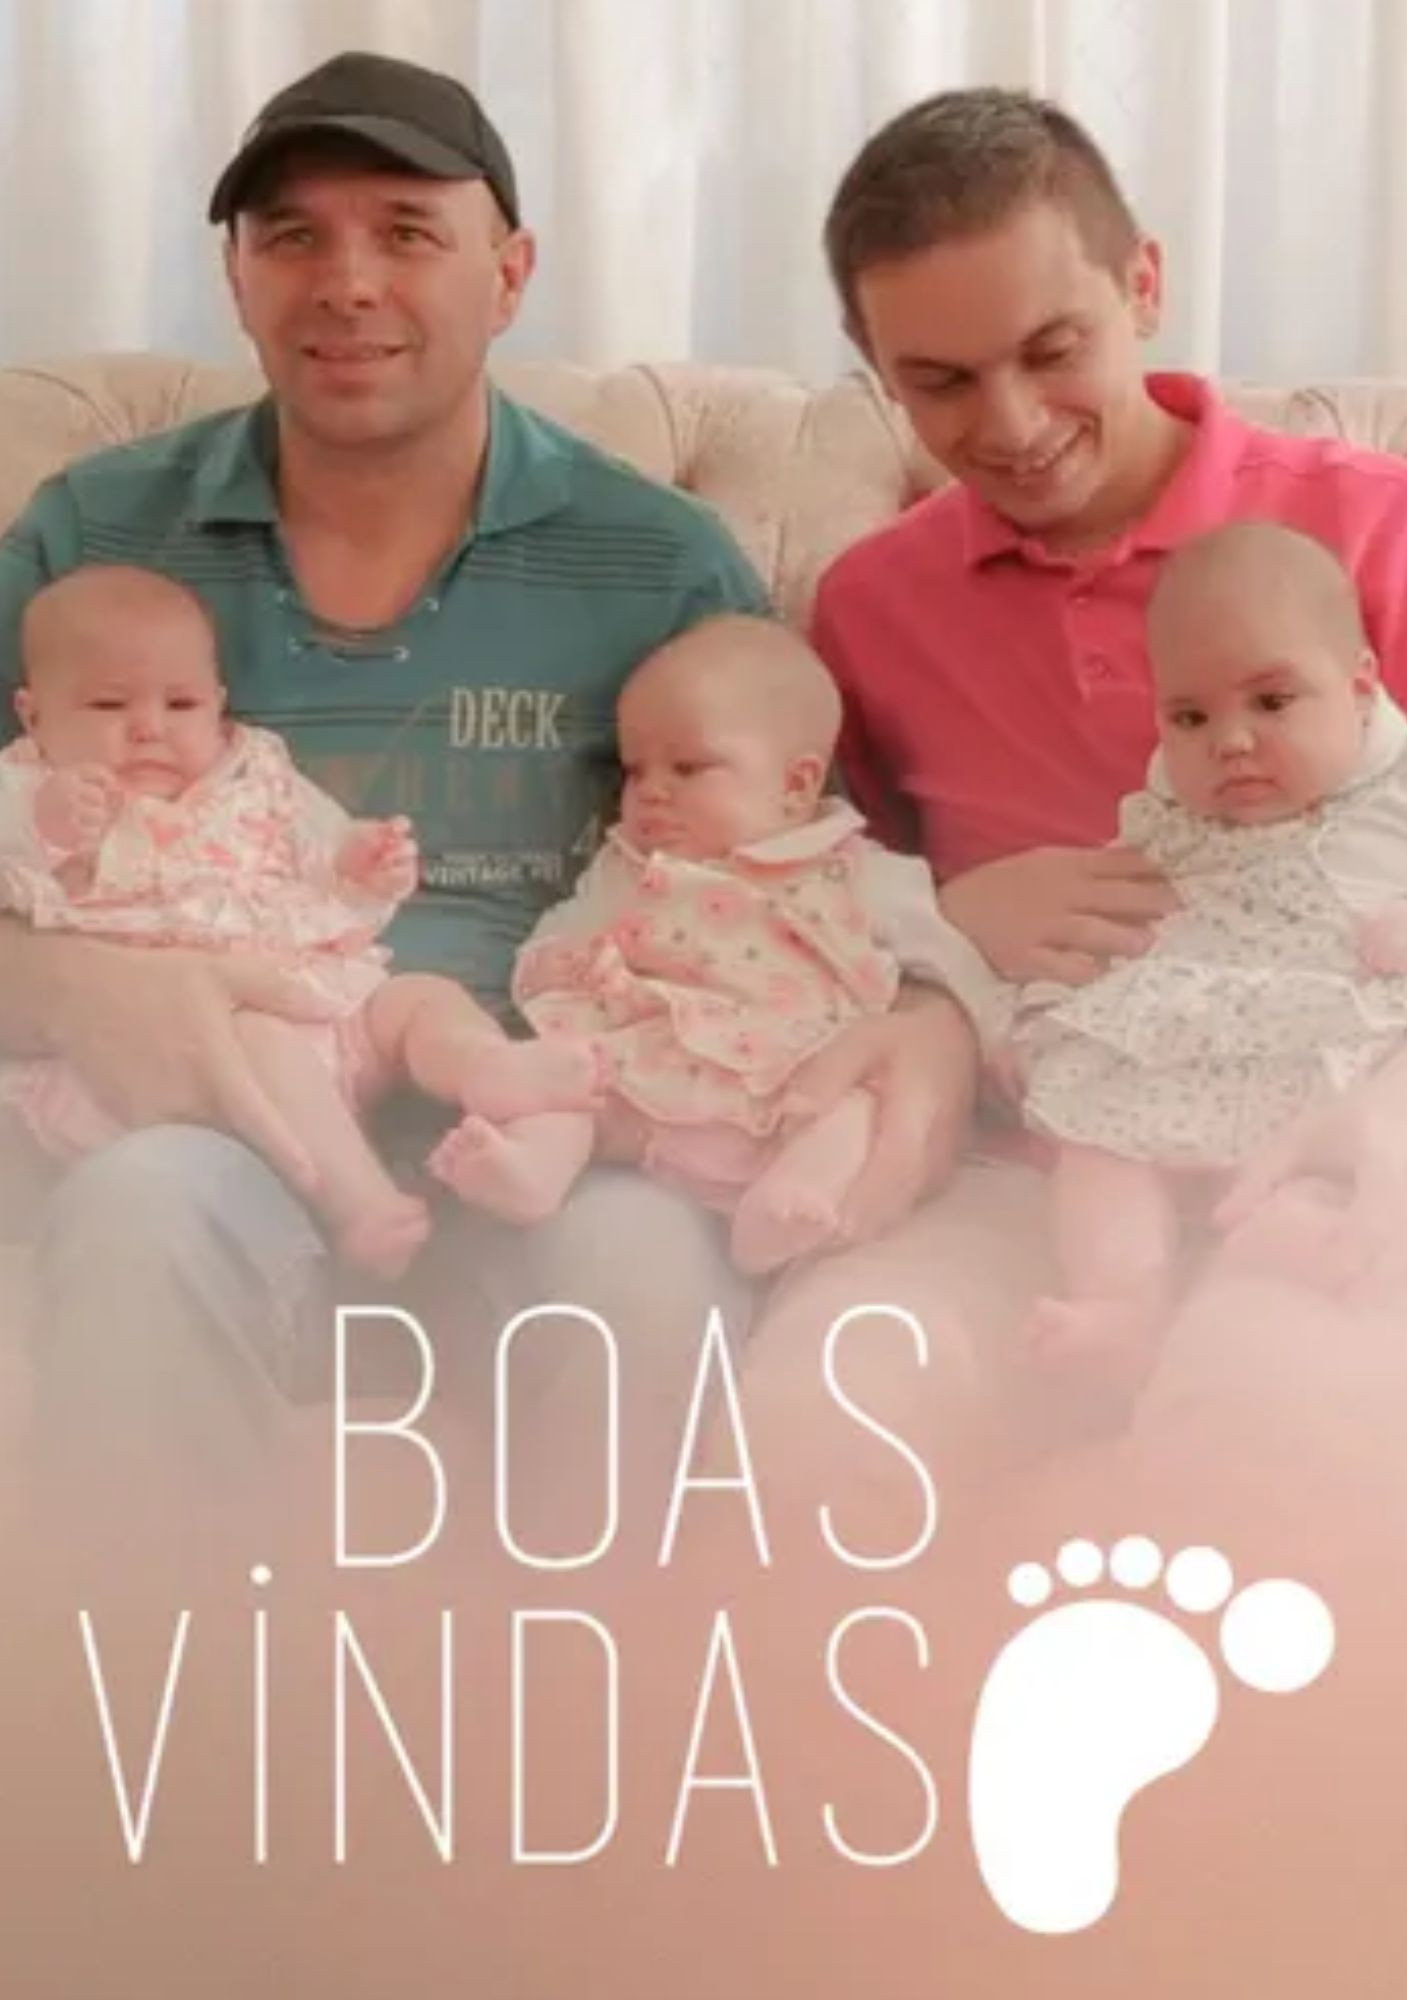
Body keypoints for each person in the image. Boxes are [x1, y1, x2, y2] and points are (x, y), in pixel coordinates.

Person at [0, 52, 969, 1526]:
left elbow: (814, 858)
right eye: (292, 236)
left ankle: (596, 1669)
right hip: (224, 1105)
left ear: (510, 274)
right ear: (237, 276)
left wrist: (935, 1020)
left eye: (406, 231)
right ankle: (155, 1664)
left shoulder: (657, 561)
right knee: (141, 1217)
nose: (346, 282)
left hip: (563, 1108)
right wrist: (58, 976)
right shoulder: (99, 534)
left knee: (639, 1277)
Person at [0, 563, 602, 1275]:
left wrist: (359, 862)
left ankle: (488, 1072)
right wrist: (42, 826)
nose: (148, 729)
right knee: (257, 1037)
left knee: (420, 999)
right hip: (192, 1054)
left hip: (321, 1008)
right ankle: (361, 1205)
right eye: (108, 705)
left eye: (182, 703)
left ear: (219, 705)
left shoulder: (253, 772)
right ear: (34, 715)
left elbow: (319, 846)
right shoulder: (28, 786)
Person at [944, 522, 1407, 1367]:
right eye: (1190, 717)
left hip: (1334, 1052)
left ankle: (1283, 1260)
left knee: (1316, 1188)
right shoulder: (1169, 821)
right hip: (1186, 1046)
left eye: (1272, 703)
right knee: (1099, 1152)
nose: (1229, 742)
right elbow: (1104, 918)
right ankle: (1122, 1301)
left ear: (1359, 686)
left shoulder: (1399, 795)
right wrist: (1045, 1006)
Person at [444, 615, 980, 1272]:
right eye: (635, 771)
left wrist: (980, 1035)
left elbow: (950, 967)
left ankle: (789, 1203)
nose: (650, 793)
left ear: (796, 785)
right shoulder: (627, 869)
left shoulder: (857, 872)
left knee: (857, 1109)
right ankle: (533, 1170)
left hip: (785, 1091)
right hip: (639, 1077)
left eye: (688, 767)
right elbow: (560, 930)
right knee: (566, 1080)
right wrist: (559, 961)